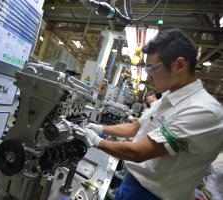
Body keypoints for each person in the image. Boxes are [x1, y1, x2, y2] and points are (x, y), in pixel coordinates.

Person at [74, 29, 223, 200]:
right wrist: (100, 127)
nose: (149, 77)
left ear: (179, 64)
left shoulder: (204, 111)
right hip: (132, 184)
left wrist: (96, 141)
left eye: (152, 69)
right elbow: (135, 127)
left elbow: (139, 152)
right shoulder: (168, 97)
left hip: (153, 195)